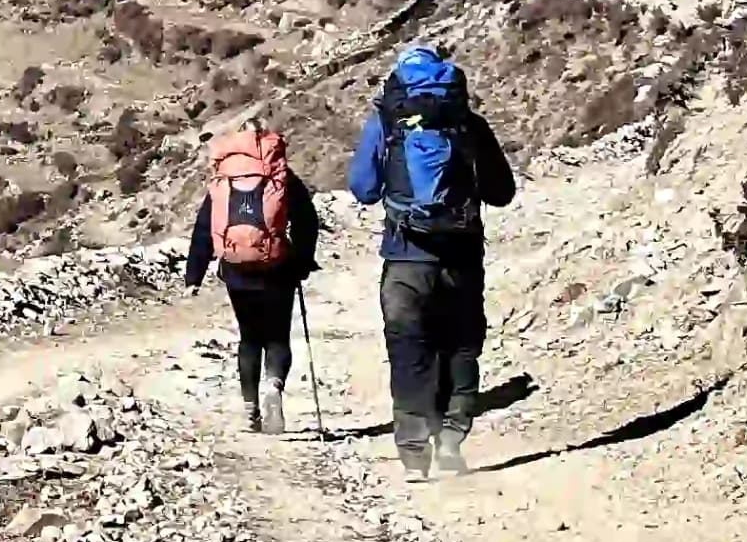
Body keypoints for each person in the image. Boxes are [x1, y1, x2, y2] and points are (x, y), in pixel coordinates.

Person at [344, 44, 517, 482]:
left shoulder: (387, 122)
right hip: (462, 257)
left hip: (405, 259)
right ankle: (453, 440)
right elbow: (501, 191)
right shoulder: (468, 124)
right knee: (459, 345)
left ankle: (414, 453)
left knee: (408, 350)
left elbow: (363, 188)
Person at [183, 122, 324, 432]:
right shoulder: (280, 175)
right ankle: (273, 386)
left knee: (249, 338)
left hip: (236, 271)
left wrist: (194, 275)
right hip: (276, 269)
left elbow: (205, 227)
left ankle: (251, 409)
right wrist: (301, 261)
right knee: (276, 337)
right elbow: (306, 220)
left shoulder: (224, 178)